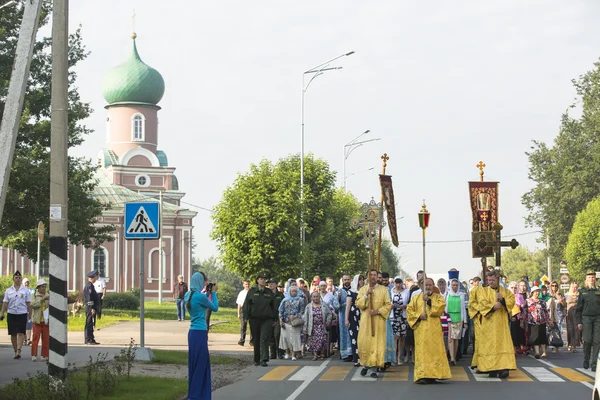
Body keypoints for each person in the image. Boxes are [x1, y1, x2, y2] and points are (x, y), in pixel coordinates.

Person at [471, 270, 516, 378]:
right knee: (490, 347)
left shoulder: (505, 291)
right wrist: (492, 307)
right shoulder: (483, 292)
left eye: (493, 280)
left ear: (498, 279)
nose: (491, 282)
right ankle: (491, 368)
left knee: (502, 345)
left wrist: (503, 300)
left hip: (501, 324)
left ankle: (503, 368)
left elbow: (511, 302)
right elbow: (481, 304)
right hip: (488, 325)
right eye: (489, 280)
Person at [407, 277, 451, 384]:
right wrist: (419, 315)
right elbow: (409, 311)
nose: (428, 287)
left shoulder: (438, 297)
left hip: (434, 330)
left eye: (430, 285)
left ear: (433, 285)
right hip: (421, 331)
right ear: (422, 286)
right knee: (422, 353)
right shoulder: (416, 298)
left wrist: (429, 302)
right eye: (426, 285)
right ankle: (422, 375)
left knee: (434, 352)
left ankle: (434, 374)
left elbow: (441, 308)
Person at [186, 272, 218, 400]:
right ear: (200, 281)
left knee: (195, 364)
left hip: (192, 332)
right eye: (205, 281)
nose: (206, 284)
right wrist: (214, 293)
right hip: (200, 332)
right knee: (201, 365)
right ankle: (198, 395)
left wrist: (207, 294)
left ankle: (194, 392)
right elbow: (214, 307)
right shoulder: (200, 297)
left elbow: (199, 301)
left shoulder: (188, 295)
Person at [356, 269, 392, 378]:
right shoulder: (363, 289)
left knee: (377, 344)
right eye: (370, 275)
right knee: (365, 343)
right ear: (368, 277)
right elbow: (359, 303)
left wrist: (377, 311)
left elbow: (388, 305)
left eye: (375, 275)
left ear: (377, 277)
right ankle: (366, 365)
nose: (373, 277)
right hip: (366, 321)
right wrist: (367, 295)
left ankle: (374, 369)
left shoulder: (384, 290)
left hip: (378, 321)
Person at [243, 271, 277, 367]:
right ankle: (257, 359)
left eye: (264, 279)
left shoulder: (269, 292)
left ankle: (264, 359)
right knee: (256, 339)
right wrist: (245, 316)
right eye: (261, 279)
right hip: (254, 319)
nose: (263, 281)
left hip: (267, 319)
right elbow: (246, 305)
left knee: (264, 338)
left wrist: (274, 319)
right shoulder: (252, 291)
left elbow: (273, 307)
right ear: (257, 280)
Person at [1, 271, 32, 359]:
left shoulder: (25, 290)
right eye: (16, 278)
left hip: (22, 313)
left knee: (21, 332)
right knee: (13, 333)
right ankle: (15, 351)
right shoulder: (8, 290)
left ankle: (19, 350)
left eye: (19, 278)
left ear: (21, 279)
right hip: (11, 313)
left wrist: (30, 314)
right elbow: (5, 303)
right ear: (13, 279)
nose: (18, 279)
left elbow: (29, 303)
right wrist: (2, 313)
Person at [576, 269, 600, 371]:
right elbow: (578, 308)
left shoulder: (599, 290)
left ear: (595, 279)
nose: (591, 279)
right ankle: (586, 359)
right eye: (589, 277)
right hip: (586, 318)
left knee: (597, 341)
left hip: (598, 318)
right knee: (587, 340)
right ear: (586, 279)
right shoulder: (583, 291)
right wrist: (579, 322)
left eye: (593, 277)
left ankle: (594, 363)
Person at [303, 290, 332, 360]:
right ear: (311, 297)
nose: (316, 298)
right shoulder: (308, 306)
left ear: (319, 297)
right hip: (312, 327)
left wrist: (328, 321)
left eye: (317, 297)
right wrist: (305, 328)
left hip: (322, 326)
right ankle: (315, 355)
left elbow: (329, 314)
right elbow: (305, 317)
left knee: (322, 340)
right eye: (314, 297)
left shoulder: (324, 305)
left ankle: (322, 354)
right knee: (313, 341)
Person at [279, 285, 305, 360]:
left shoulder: (300, 300)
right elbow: (280, 311)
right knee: (285, 338)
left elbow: (302, 311)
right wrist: (280, 320)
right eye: (292, 291)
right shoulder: (285, 300)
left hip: (295, 322)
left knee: (295, 338)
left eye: (295, 291)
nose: (294, 292)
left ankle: (294, 354)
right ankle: (287, 352)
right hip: (285, 321)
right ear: (289, 292)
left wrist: (296, 316)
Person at [446, 278, 467, 365]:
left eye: (456, 285)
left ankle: (454, 355)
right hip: (450, 318)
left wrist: (465, 321)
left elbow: (463, 308)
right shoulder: (448, 294)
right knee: (450, 338)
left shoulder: (461, 295)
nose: (455, 287)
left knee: (456, 339)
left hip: (458, 318)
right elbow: (445, 308)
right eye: (453, 285)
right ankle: (452, 358)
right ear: (451, 286)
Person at [346, 274, 364, 366]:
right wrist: (346, 319)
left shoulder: (364, 291)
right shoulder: (351, 292)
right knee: (354, 338)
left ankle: (363, 358)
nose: (361, 281)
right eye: (360, 280)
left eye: (362, 280)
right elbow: (348, 306)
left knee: (363, 338)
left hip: (363, 316)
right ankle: (356, 359)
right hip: (353, 316)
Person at [30, 279, 49, 362]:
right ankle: (34, 355)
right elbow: (33, 305)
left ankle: (44, 355)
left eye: (45, 286)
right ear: (38, 287)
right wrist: (42, 300)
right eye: (42, 287)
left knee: (46, 339)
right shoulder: (34, 295)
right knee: (35, 338)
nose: (44, 288)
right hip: (37, 320)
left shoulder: (48, 295)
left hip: (45, 320)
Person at [336, 274, 353, 361]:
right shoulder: (339, 291)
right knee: (344, 334)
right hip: (343, 315)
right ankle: (345, 354)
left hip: (353, 315)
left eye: (348, 279)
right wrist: (338, 299)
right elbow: (335, 306)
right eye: (345, 279)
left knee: (352, 334)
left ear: (351, 280)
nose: (346, 281)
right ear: (342, 281)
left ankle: (352, 353)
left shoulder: (354, 290)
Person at [268, 279, 285, 360]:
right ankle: (273, 353)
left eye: (272, 284)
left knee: (277, 334)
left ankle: (280, 352)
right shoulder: (266, 294)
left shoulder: (280, 295)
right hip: (269, 317)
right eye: (269, 284)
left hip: (278, 317)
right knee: (271, 336)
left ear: (275, 285)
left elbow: (284, 305)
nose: (270, 285)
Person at [83, 270, 100, 345]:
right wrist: (92, 308)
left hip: (91, 307)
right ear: (93, 277)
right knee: (89, 323)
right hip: (90, 307)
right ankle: (88, 339)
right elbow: (89, 298)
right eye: (96, 276)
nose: (97, 277)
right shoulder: (89, 286)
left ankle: (91, 338)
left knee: (91, 323)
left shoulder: (91, 285)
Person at [236, 280, 252, 346]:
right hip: (243, 310)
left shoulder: (252, 292)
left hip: (251, 310)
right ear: (243, 285)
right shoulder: (241, 293)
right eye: (246, 284)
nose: (247, 285)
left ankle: (252, 341)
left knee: (252, 326)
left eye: (248, 284)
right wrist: (238, 313)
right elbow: (239, 304)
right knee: (243, 326)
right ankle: (242, 340)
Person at [22, 278, 34, 346]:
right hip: (23, 309)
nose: (26, 284)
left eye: (27, 283)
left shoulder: (31, 290)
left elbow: (33, 299)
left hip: (30, 309)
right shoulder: (21, 291)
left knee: (29, 324)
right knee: (23, 324)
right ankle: (24, 339)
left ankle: (29, 339)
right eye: (25, 283)